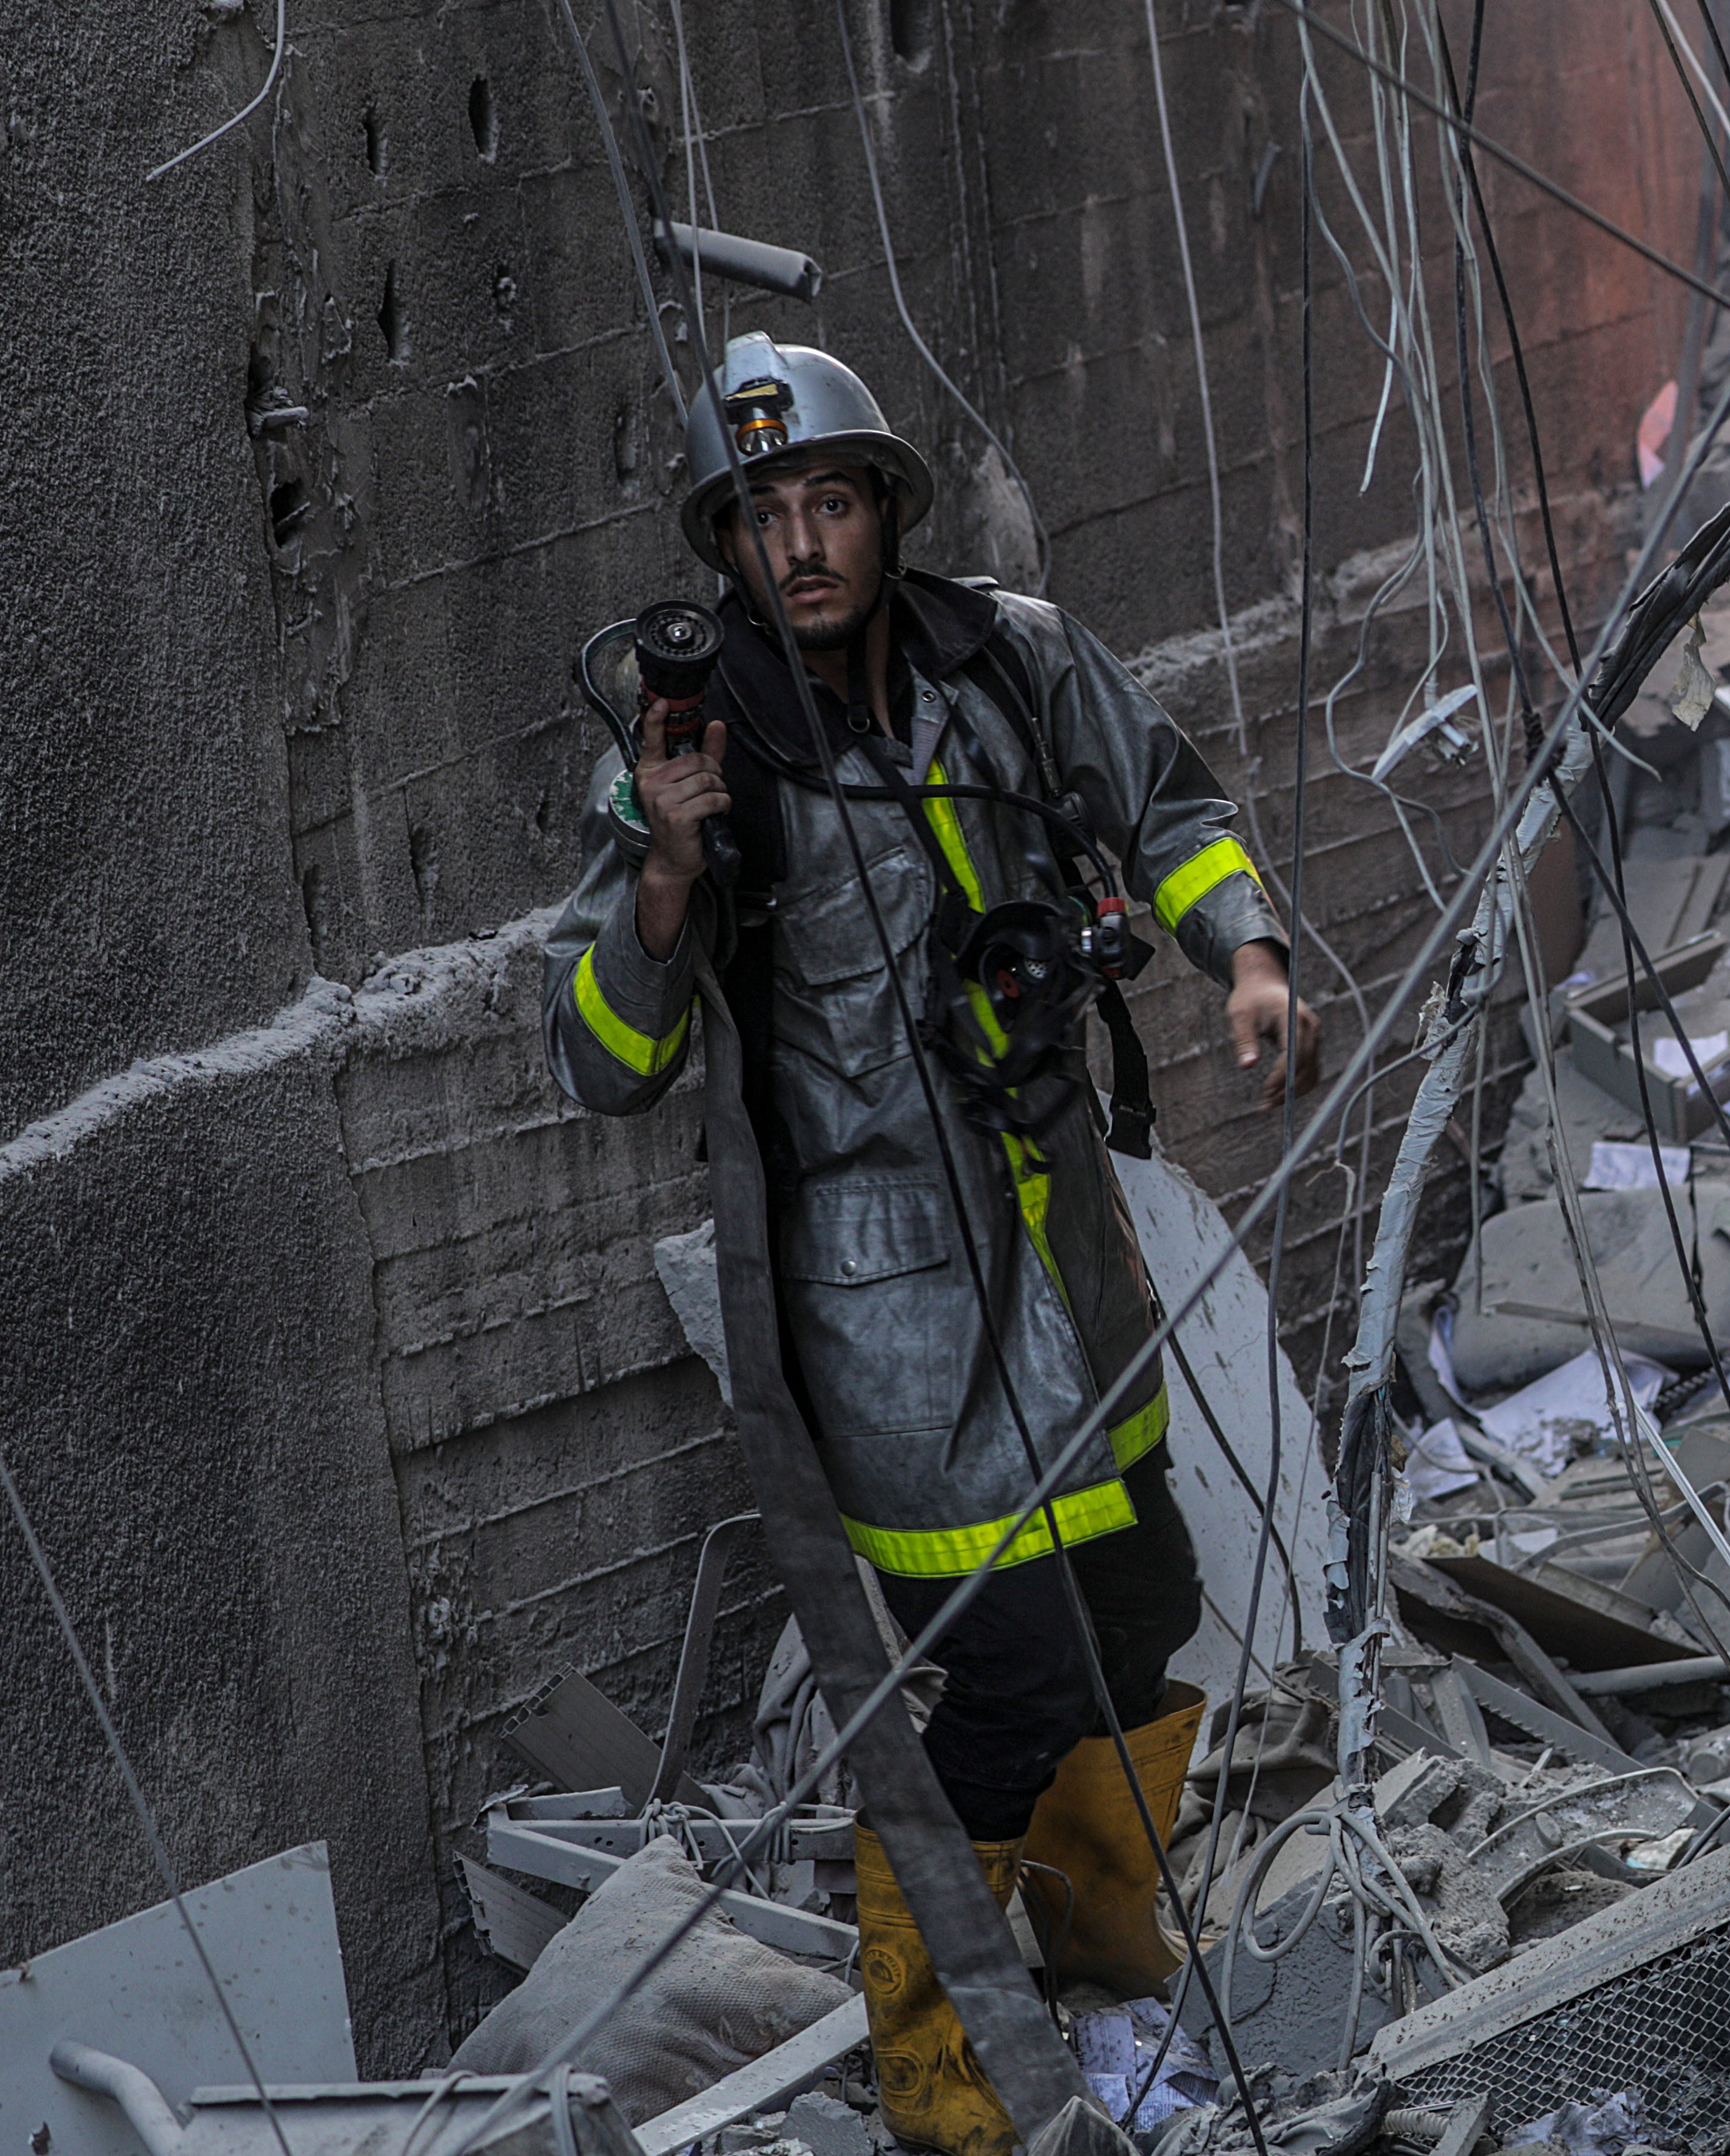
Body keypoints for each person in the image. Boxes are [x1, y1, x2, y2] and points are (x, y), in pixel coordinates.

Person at [544, 333, 1317, 2156]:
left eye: (826, 502)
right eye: (760, 519)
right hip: (890, 1322)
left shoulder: (1012, 660)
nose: (798, 546)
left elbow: (1177, 804)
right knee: (995, 1695)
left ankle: (1117, 1988)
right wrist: (667, 872)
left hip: (1069, 1256)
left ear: (885, 510)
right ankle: (958, 2096)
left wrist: (1253, 957)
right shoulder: (691, 755)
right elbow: (603, 1061)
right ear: (724, 548)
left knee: (1138, 1618)